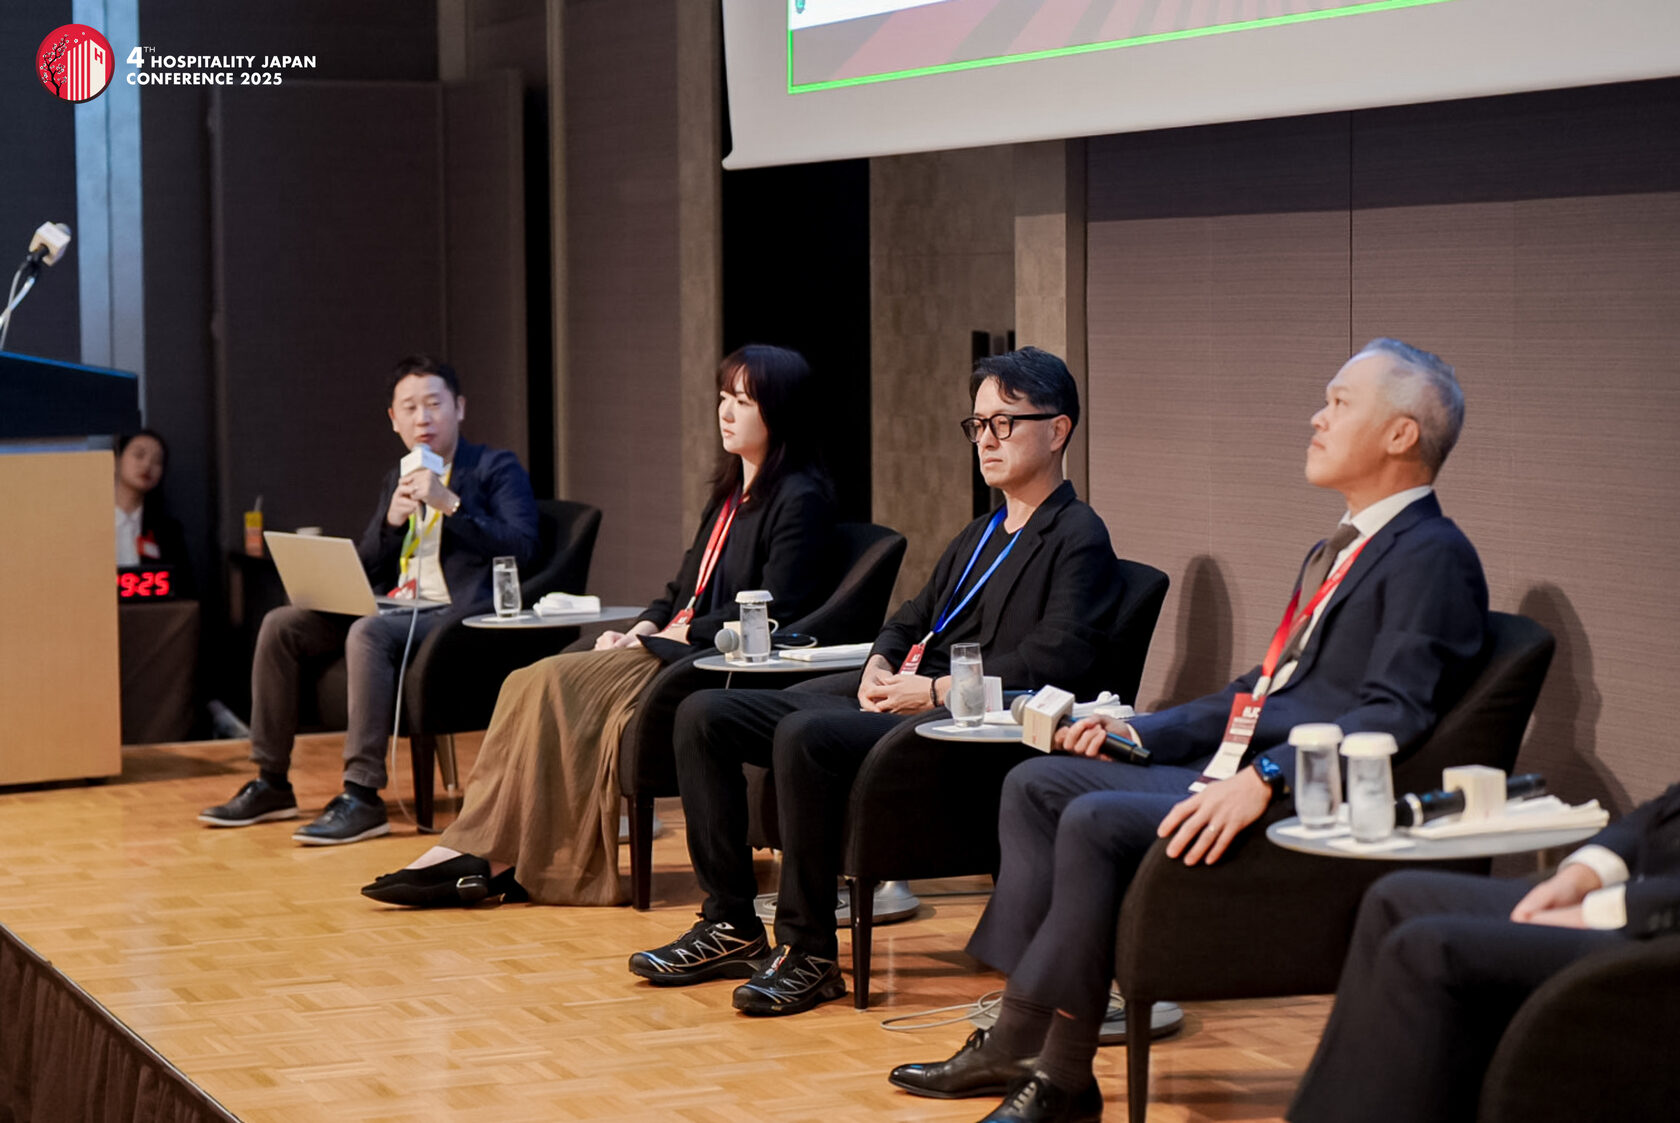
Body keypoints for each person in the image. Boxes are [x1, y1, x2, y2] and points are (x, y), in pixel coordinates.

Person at [888, 339, 1489, 1123]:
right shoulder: (1341, 548)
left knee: (1093, 818)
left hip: (1298, 794)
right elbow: (1261, 688)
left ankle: (1041, 1055)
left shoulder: (1432, 555)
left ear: (1402, 433)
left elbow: (1392, 712)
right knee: (1037, 780)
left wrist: (1266, 778)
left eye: (1339, 403)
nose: (1317, 416)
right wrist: (1137, 731)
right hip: (1236, 765)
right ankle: (1033, 1042)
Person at [629, 346, 1126, 1017]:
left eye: (1004, 423)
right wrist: (879, 664)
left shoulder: (1078, 535)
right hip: (903, 699)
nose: (986, 440)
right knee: (704, 713)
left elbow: (1056, 660)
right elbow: (910, 617)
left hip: (961, 728)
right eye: (978, 424)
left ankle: (808, 953)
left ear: (1058, 429)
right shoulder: (982, 532)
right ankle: (730, 923)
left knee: (804, 733)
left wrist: (937, 690)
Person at [361, 344, 839, 907]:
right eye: (722, 398)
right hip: (670, 644)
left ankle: (490, 857)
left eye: (743, 401)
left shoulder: (800, 498)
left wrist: (681, 634)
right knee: (526, 680)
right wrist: (643, 628)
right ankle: (481, 848)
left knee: (550, 682)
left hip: (710, 659)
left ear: (779, 412)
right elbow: (679, 591)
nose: (725, 413)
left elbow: (775, 607)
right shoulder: (730, 493)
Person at [200, 356, 539, 845]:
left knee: (367, 631)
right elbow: (368, 570)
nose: (423, 418)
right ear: (394, 419)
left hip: (458, 615)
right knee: (282, 624)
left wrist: (449, 504)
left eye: (434, 404)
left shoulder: (493, 467)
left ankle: (362, 795)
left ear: (459, 408)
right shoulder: (398, 477)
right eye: (410, 408)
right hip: (401, 606)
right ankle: (271, 782)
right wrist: (391, 524)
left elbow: (522, 547)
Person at [1288, 781, 1680, 1123]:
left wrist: (1603, 910)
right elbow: (1668, 807)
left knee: (1427, 947)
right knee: (1394, 898)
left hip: (1657, 934)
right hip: (1639, 894)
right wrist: (1580, 876)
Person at [114, 428, 193, 594]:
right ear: (117, 459)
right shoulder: (91, 521)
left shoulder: (168, 531)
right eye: (139, 455)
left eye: (157, 461)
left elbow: (183, 588)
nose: (147, 465)